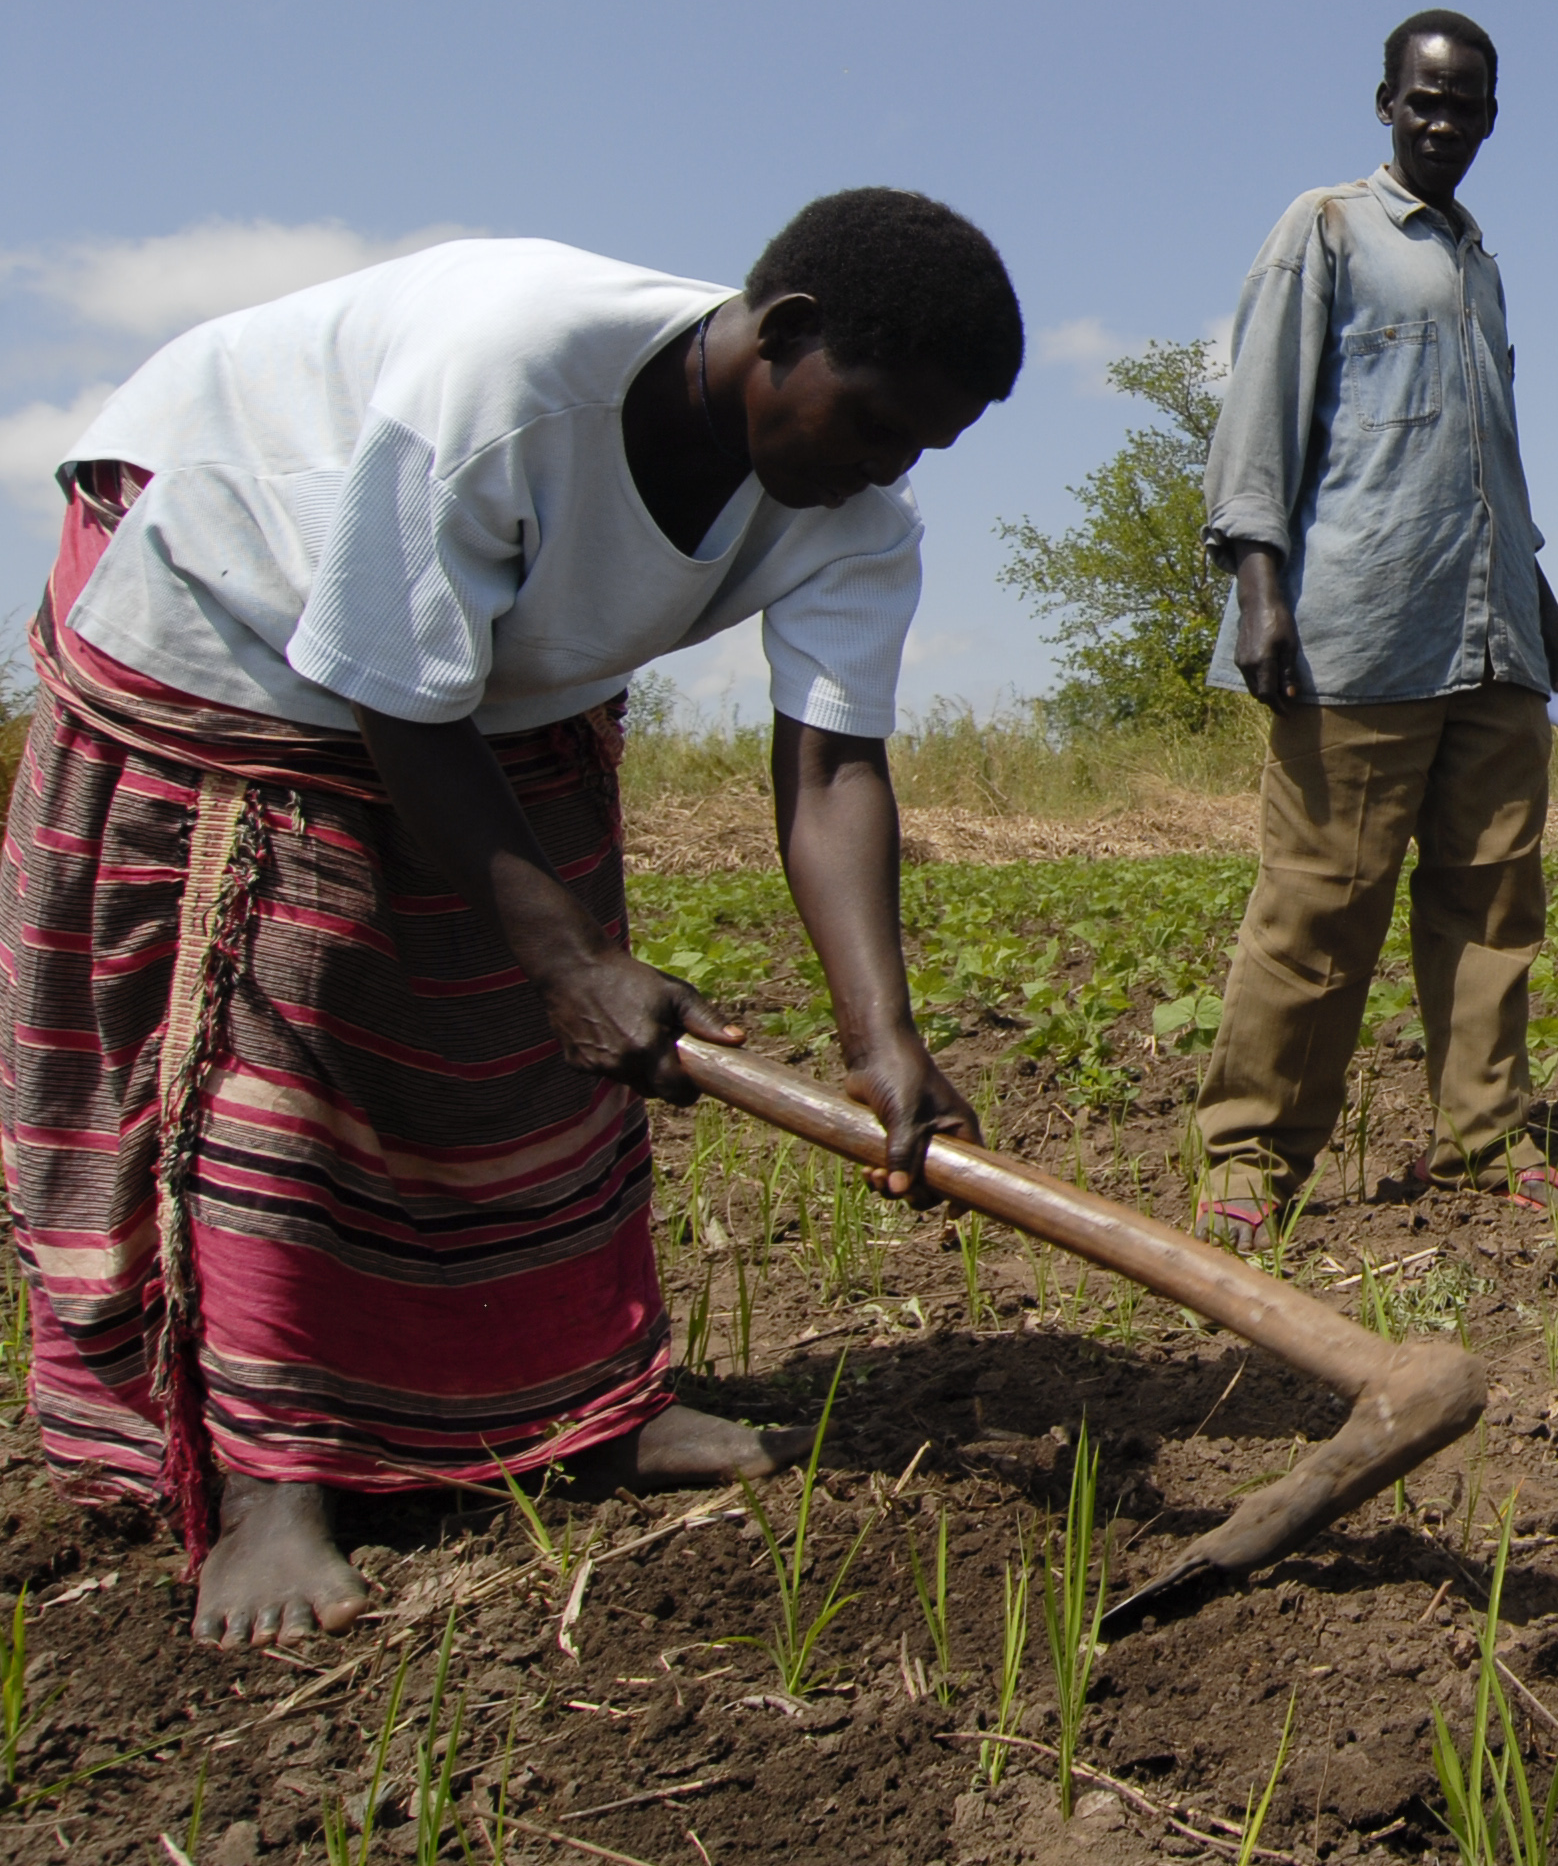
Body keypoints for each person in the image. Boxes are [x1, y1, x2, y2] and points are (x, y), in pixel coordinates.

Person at [5, 199, 1014, 1648]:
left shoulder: (854, 516)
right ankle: (265, 1482)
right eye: (873, 421)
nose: (889, 464)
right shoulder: (507, 373)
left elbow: (835, 766)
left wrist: (884, 1037)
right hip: (238, 604)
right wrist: (569, 961)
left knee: (539, 1051)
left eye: (926, 444)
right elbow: (385, 688)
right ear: (783, 335)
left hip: (482, 684)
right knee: (281, 1034)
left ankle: (584, 1409)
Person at [1190, 10, 1558, 1240]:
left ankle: (1482, 1135)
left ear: (1490, 115)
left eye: (1464, 103)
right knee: (1319, 903)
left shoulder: (1478, 258)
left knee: (1491, 905)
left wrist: (1541, 600)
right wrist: (1259, 594)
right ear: (1383, 103)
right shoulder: (1324, 230)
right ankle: (1250, 1161)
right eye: (1423, 99)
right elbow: (1259, 418)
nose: (1442, 121)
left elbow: (1491, 461)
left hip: (1492, 639)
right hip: (1356, 628)